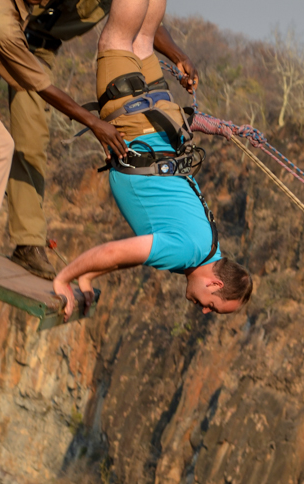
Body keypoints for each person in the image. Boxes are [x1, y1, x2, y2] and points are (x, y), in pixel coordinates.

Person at [0, 0, 200, 280]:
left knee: (31, 140)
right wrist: (92, 121)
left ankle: (28, 243)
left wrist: (177, 54)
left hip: (37, 50)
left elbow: (145, 22)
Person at [52, 0, 252, 321]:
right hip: (134, 120)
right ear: (215, 282)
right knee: (118, 39)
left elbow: (123, 260)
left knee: (142, 40)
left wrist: (87, 277)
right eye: (211, 304)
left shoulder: (209, 245)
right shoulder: (183, 253)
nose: (203, 308)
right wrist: (64, 278)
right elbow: (113, 252)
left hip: (160, 122)